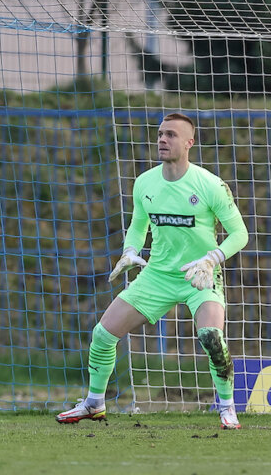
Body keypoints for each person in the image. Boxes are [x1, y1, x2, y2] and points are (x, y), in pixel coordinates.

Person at [56, 112, 249, 429]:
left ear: (189, 142)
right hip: (157, 275)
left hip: (199, 276)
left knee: (211, 337)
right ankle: (93, 403)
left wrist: (212, 258)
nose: (162, 139)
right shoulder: (145, 182)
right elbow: (137, 225)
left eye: (171, 134)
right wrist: (130, 250)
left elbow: (240, 234)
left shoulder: (211, 185)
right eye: (160, 133)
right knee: (103, 334)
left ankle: (228, 408)